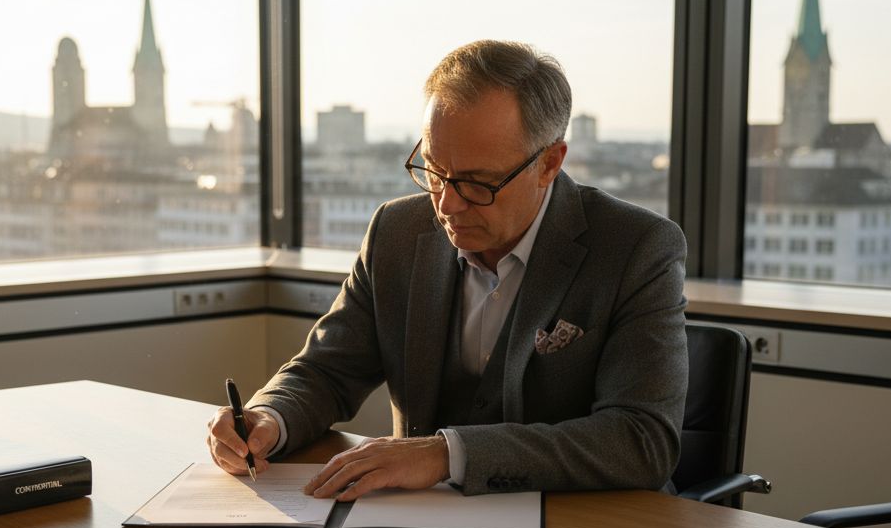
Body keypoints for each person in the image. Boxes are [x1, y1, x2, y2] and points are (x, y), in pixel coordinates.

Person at [207, 39, 688, 500]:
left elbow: (641, 439)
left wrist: (447, 455)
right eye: (434, 170)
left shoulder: (637, 248)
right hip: (418, 526)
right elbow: (327, 371)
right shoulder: (396, 232)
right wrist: (270, 417)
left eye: (478, 183)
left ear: (549, 164)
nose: (446, 205)